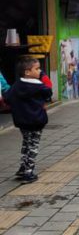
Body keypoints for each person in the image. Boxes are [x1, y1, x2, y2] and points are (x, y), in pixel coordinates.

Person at [5, 56, 53, 184]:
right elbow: (49, 92)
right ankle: (28, 172)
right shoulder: (39, 86)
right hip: (36, 121)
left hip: (22, 121)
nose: (40, 71)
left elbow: (7, 98)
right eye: (37, 69)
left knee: (26, 143)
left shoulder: (16, 85)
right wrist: (43, 76)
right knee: (33, 146)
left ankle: (22, 168)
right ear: (27, 72)